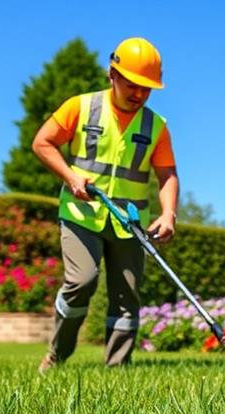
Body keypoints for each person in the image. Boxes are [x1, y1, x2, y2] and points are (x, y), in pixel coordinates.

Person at [32, 37, 178, 373]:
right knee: (81, 281)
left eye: (147, 88)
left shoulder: (156, 126)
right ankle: (57, 354)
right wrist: (70, 177)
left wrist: (168, 213)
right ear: (112, 73)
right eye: (132, 84)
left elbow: (167, 174)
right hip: (81, 214)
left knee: (126, 296)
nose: (139, 94)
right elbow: (42, 143)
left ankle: (118, 369)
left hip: (129, 222)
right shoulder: (81, 107)